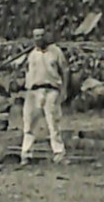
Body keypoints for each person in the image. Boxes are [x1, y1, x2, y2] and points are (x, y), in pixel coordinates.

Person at [21, 27, 70, 165]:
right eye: (36, 36)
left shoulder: (56, 52)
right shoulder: (31, 54)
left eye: (41, 35)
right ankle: (26, 153)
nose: (39, 38)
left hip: (51, 90)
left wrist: (64, 89)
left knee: (53, 123)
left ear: (46, 36)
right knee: (29, 124)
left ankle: (59, 153)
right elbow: (24, 70)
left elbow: (65, 71)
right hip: (33, 91)